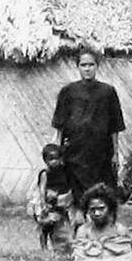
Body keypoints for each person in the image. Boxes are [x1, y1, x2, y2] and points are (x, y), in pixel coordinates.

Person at [51, 49, 126, 206]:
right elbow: (59, 126)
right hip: (75, 153)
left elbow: (115, 127)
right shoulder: (68, 92)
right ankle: (79, 225)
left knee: (100, 193)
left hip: (101, 153)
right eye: (83, 65)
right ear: (77, 67)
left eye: (91, 65)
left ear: (97, 66)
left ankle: (100, 225)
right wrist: (58, 152)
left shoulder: (108, 92)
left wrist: (115, 154)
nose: (87, 68)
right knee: (76, 194)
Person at [66, 184, 132, 261]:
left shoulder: (119, 230)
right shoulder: (83, 230)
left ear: (110, 209)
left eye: (101, 209)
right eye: (93, 210)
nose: (97, 213)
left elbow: (124, 259)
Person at [27, 143, 73, 251]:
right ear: (45, 160)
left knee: (57, 224)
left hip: (58, 202)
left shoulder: (63, 172)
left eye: (57, 158)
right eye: (51, 159)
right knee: (45, 226)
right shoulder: (45, 173)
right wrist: (43, 204)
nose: (54, 161)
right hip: (46, 202)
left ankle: (57, 245)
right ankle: (43, 247)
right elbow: (42, 189)